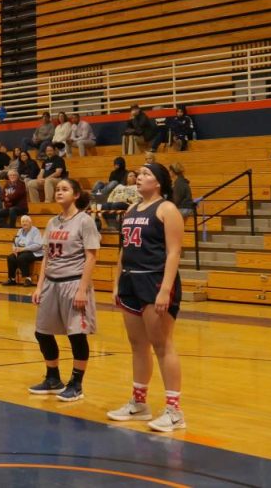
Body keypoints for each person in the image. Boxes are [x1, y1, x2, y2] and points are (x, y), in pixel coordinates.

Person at [107, 163, 187, 433]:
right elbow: (123, 249)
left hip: (154, 279)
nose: (138, 177)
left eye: (145, 174)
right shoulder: (130, 210)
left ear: (159, 182)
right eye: (138, 174)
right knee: (137, 344)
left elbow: (174, 253)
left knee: (162, 344)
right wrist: (117, 281)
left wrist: (165, 289)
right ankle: (139, 403)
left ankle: (174, 411)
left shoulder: (167, 209)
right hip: (130, 279)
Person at [28, 178, 101, 402]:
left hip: (73, 282)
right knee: (41, 332)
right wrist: (39, 286)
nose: (59, 192)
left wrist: (82, 289)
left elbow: (91, 256)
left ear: (76, 194)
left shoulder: (85, 221)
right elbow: (47, 256)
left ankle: (76, 384)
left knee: (76, 336)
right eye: (57, 189)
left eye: (64, 189)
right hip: (51, 283)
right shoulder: (52, 223)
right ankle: (53, 378)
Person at [4, 214, 43, 286]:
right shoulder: (20, 231)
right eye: (22, 222)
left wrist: (23, 249)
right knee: (10, 257)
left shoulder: (35, 231)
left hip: (35, 252)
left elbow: (38, 245)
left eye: (26, 221)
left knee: (22, 257)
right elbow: (15, 242)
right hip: (22, 251)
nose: (24, 223)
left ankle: (28, 279)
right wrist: (14, 248)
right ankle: (12, 279)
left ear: (30, 223)